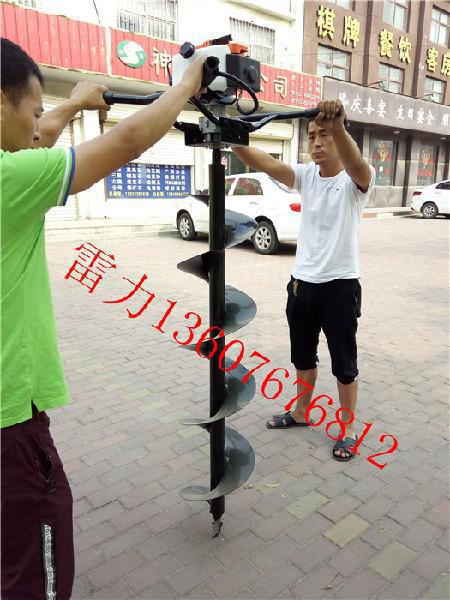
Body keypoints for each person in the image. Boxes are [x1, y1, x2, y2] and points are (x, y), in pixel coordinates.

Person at [0, 37, 205, 599]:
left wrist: (69, 105)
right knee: (33, 562)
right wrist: (186, 84)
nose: (37, 127)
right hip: (9, 421)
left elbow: (34, 142)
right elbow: (127, 140)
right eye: (33, 112)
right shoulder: (7, 181)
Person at [233, 99, 375, 461]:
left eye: (324, 135)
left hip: (340, 286)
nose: (316, 142)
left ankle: (348, 430)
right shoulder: (307, 176)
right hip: (302, 285)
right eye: (311, 136)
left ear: (340, 137)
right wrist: (230, 135)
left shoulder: (356, 179)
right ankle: (301, 412)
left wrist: (337, 125)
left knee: (344, 363)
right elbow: (266, 163)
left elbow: (356, 162)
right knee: (302, 355)